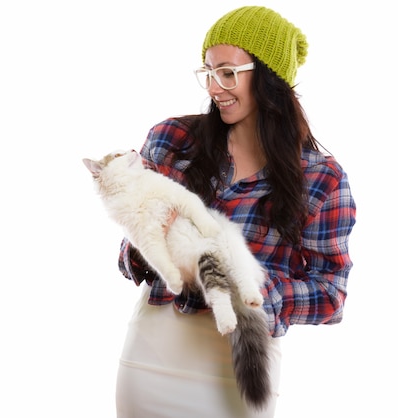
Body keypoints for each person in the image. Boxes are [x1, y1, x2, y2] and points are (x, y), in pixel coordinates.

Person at [114, 6, 356, 418]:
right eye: (208, 72)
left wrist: (255, 289)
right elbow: (128, 260)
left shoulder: (322, 178)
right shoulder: (172, 139)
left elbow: (331, 293)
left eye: (228, 73)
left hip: (241, 370)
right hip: (151, 357)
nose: (214, 87)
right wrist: (148, 243)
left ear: (269, 77)